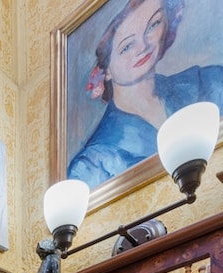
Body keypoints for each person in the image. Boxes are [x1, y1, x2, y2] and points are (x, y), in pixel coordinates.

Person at [68, 0, 223, 188]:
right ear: (105, 69)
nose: (143, 46)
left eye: (153, 25)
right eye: (126, 46)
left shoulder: (209, 83)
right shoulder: (93, 164)